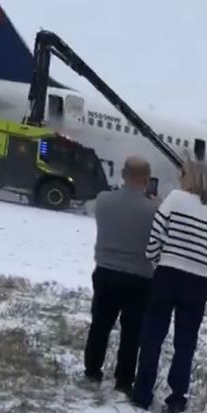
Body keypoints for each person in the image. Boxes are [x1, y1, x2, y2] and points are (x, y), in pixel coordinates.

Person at [130, 159, 207, 413]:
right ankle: (177, 398)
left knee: (152, 336)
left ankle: (142, 393)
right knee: (186, 344)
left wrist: (157, 261)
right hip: (197, 284)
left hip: (167, 276)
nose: (180, 178)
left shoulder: (174, 199)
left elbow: (156, 237)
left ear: (192, 177)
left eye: (183, 174)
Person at [83, 157, 159, 394]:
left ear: (124, 175)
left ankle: (92, 370)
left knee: (100, 326)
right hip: (139, 278)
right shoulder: (154, 209)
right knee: (132, 332)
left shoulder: (104, 201)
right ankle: (124, 379)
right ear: (146, 180)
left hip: (105, 272)